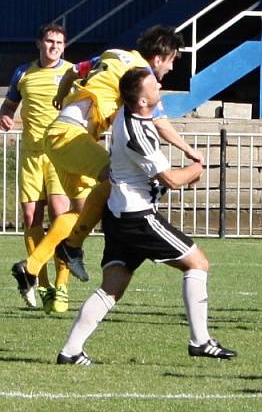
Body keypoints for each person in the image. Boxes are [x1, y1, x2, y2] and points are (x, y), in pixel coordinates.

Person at [56, 68, 235, 365]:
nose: (160, 84)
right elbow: (171, 180)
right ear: (141, 100)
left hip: (119, 213)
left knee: (112, 286)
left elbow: (159, 122)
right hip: (137, 216)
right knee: (198, 263)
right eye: (154, 84)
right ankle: (200, 341)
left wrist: (187, 149)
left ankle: (71, 350)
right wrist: (197, 168)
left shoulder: (131, 111)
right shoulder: (137, 135)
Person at [11, 25, 201, 297]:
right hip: (71, 137)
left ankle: (31, 267)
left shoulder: (112, 55)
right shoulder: (140, 76)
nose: (170, 69)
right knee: (115, 182)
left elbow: (73, 71)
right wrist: (190, 151)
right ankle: (72, 247)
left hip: (61, 136)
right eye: (172, 61)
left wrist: (61, 95)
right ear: (160, 57)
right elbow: (159, 120)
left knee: (83, 210)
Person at [0, 23, 72, 312]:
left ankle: (63, 285)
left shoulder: (72, 73)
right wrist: (4, 116)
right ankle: (41, 285)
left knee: (60, 215)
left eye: (59, 42)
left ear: (64, 47)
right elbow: (8, 106)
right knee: (31, 217)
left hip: (61, 153)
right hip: (31, 155)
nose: (54, 46)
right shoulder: (23, 72)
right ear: (39, 43)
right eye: (49, 40)